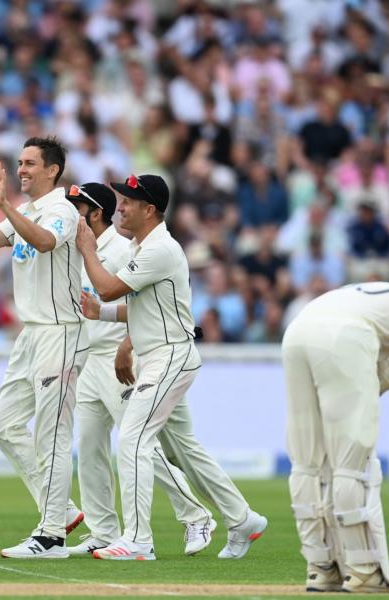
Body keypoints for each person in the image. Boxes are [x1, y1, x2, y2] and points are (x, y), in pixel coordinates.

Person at [77, 173, 267, 561]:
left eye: (128, 200)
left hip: (170, 356)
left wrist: (87, 251)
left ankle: (138, 540)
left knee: (132, 439)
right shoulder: (141, 246)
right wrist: (105, 314)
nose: (121, 206)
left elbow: (110, 286)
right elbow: (143, 307)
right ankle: (242, 518)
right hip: (158, 355)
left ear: (150, 209)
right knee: (184, 451)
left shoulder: (158, 249)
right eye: (120, 198)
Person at [63, 182, 216, 558]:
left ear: (94, 213)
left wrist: (126, 345)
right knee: (91, 449)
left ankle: (193, 513)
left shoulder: (120, 249)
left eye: (76, 209)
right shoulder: (118, 247)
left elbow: (122, 295)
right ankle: (103, 531)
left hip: (121, 361)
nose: (70, 216)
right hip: (90, 358)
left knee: (136, 443)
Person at [0, 137, 86, 558]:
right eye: (20, 162)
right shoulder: (26, 210)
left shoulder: (63, 210)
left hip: (61, 331)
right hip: (31, 334)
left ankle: (51, 536)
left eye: (30, 164)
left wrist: (6, 205)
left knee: (52, 436)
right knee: (5, 425)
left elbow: (46, 242)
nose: (22, 169)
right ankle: (60, 510)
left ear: (53, 170)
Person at [282, 282, 389, 593]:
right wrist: (359, 400)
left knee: (308, 461)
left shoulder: (388, 296)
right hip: (343, 336)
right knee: (352, 460)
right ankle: (365, 571)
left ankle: (322, 569)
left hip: (296, 332)